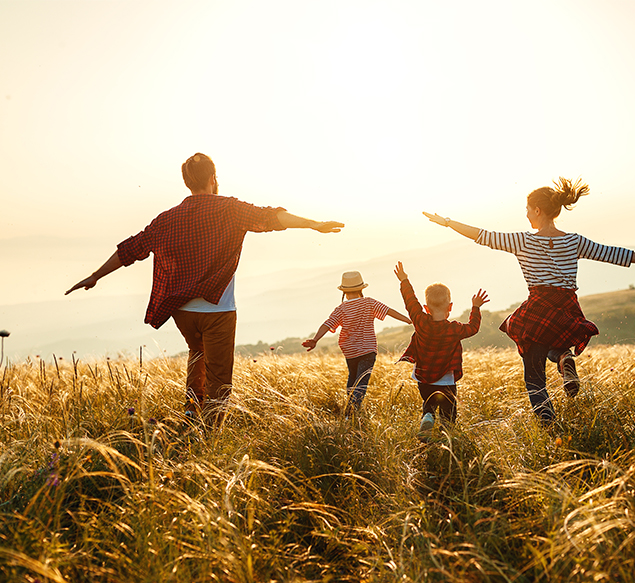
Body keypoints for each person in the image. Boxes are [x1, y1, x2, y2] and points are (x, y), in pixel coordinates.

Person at [66, 152, 344, 425]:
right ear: (213, 178)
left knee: (197, 354)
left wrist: (95, 275)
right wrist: (313, 224)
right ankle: (209, 432)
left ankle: (191, 412)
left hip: (182, 312)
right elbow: (271, 217)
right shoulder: (230, 209)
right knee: (219, 377)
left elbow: (132, 249)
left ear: (187, 182)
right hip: (218, 310)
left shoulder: (167, 219)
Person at [423, 177, 635, 424]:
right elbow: (612, 253)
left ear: (537, 210)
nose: (525, 214)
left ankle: (548, 424)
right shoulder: (574, 241)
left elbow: (482, 235)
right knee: (552, 343)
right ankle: (563, 358)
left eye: (527, 209)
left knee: (534, 378)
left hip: (538, 306)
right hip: (567, 307)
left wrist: (447, 222)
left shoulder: (523, 240)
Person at [393, 261, 489, 439]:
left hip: (423, 378)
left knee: (428, 404)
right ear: (450, 307)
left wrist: (404, 280)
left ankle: (428, 416)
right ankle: (446, 436)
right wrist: (475, 308)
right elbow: (473, 328)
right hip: (446, 380)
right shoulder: (454, 329)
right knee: (448, 411)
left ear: (426, 308)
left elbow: (410, 301)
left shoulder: (420, 321)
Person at [302, 271, 411, 415]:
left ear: (344, 292)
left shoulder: (341, 309)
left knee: (352, 379)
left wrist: (315, 340)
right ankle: (352, 412)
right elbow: (389, 311)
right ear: (361, 289)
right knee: (362, 382)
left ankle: (350, 410)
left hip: (350, 351)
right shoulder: (369, 303)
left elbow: (327, 324)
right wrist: (409, 320)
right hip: (367, 350)